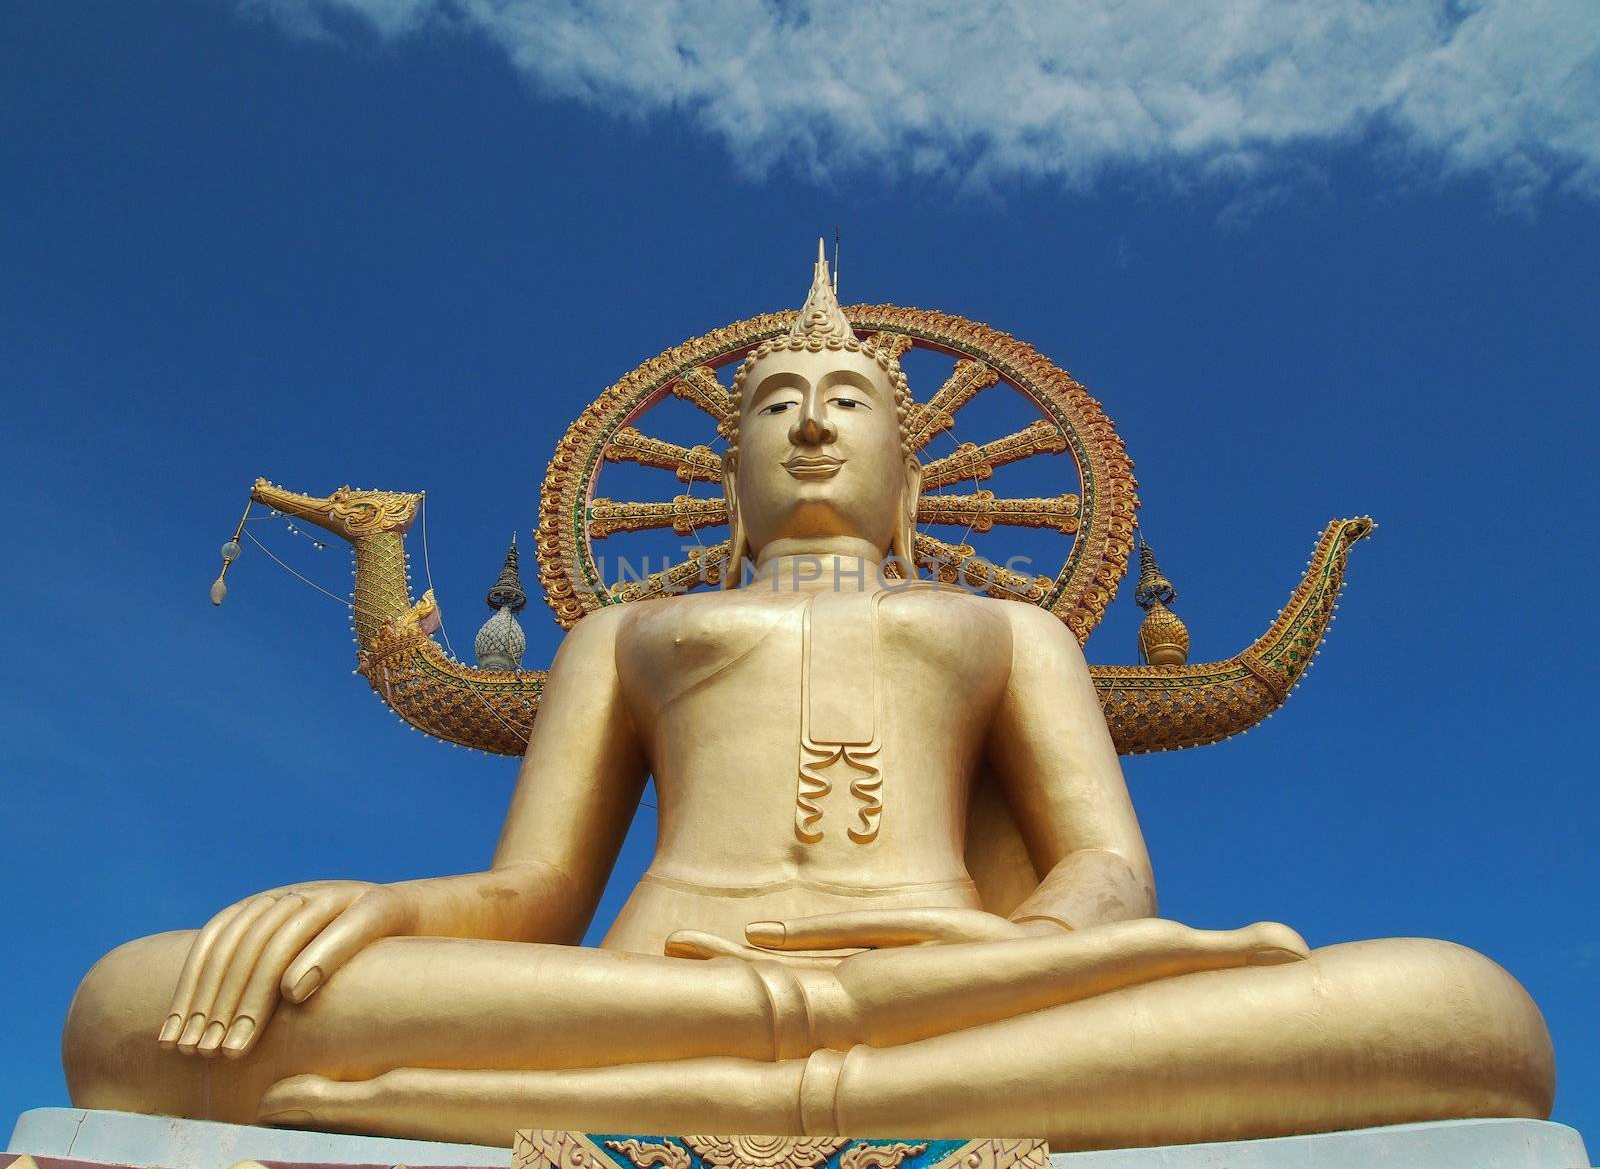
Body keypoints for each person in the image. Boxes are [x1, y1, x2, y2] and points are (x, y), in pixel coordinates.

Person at [63, 246, 1553, 1151]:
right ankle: (829, 1071)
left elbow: (1106, 871)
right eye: (776, 405)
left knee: (1470, 1016)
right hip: (670, 982)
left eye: (850, 404)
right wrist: (381, 912)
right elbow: (532, 893)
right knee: (140, 1006)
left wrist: (1015, 956)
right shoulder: (634, 633)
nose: (814, 422)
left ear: (913, 464)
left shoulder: (1002, 629)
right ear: (725, 467)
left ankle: (560, 1092)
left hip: (965, 982)